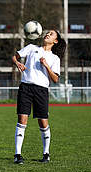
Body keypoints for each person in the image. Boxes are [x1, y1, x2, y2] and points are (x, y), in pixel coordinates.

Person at [11, 30, 66, 164]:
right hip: (25, 87)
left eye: (51, 34)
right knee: (22, 120)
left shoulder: (54, 58)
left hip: (41, 90)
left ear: (55, 41)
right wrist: (17, 63)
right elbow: (14, 56)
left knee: (43, 122)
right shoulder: (31, 48)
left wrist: (47, 66)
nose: (47, 34)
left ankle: (46, 153)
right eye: (47, 33)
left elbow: (55, 79)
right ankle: (17, 155)